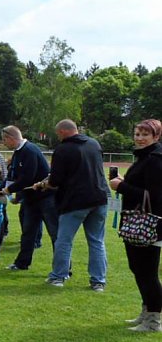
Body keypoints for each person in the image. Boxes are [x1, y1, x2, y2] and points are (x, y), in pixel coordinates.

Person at [36, 119, 109, 290]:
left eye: (57, 134)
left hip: (75, 201)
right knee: (97, 241)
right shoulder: (93, 143)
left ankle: (59, 276)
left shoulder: (63, 149)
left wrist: (44, 184)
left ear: (62, 132)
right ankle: (98, 281)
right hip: (99, 197)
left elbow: (55, 181)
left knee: (64, 240)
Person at [109, 119, 162, 332]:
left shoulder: (155, 160)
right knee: (138, 269)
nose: (139, 138)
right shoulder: (144, 157)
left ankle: (154, 320)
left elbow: (155, 197)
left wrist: (122, 186)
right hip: (135, 222)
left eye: (144, 135)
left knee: (147, 271)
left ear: (156, 137)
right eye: (137, 133)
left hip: (149, 225)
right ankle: (147, 311)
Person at [0, 125, 59, 271]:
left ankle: (63, 268)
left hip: (46, 198)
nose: (4, 143)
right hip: (30, 199)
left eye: (4, 139)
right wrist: (3, 191)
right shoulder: (17, 153)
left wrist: (8, 190)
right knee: (28, 232)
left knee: (55, 234)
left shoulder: (29, 150)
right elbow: (13, 176)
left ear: (11, 138)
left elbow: (28, 178)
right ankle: (22, 263)